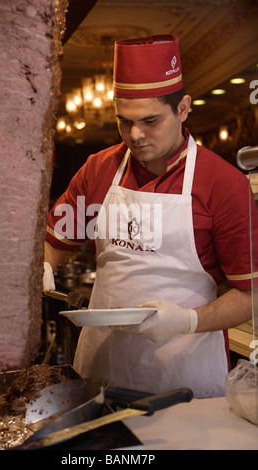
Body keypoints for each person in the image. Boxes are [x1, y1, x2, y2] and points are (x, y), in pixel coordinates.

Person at [43, 35, 258, 398]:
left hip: (184, 373)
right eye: (124, 121)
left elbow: (251, 294)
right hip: (99, 367)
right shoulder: (98, 170)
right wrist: (43, 267)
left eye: (150, 121)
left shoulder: (223, 184)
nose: (135, 135)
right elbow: (52, 245)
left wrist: (188, 320)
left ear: (183, 109)